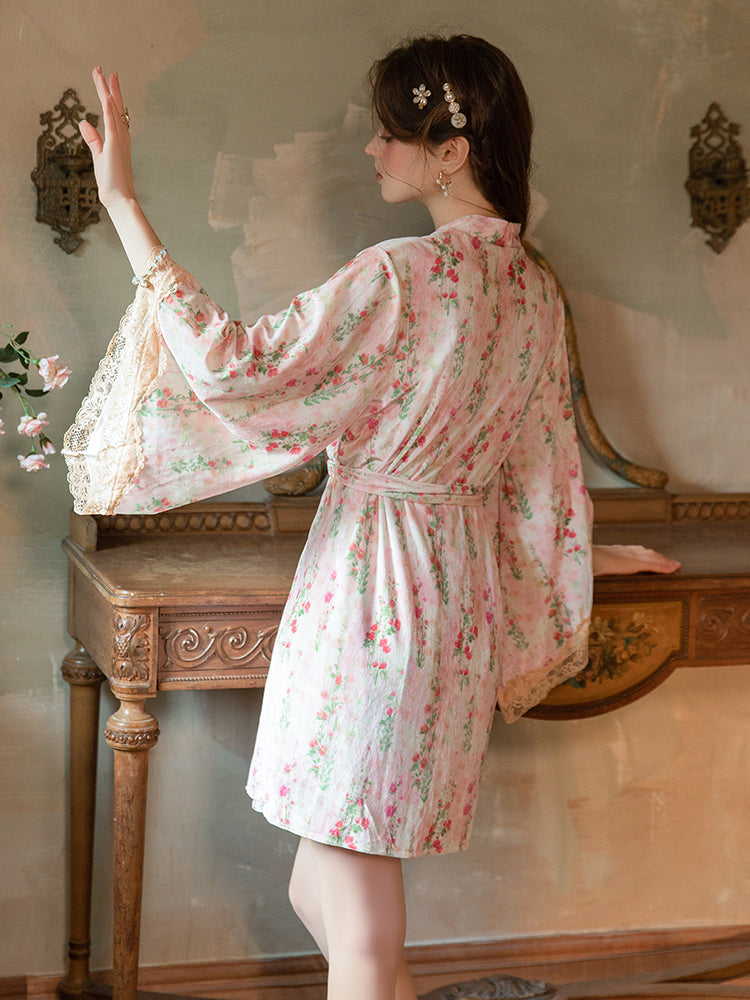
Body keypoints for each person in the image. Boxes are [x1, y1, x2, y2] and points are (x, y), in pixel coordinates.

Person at [67, 35, 679, 1000]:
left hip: (373, 600)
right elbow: (535, 476)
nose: (373, 149)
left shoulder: (404, 275)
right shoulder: (531, 288)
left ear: (452, 151)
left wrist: (124, 205)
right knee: (323, 883)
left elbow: (237, 366)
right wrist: (586, 555)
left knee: (352, 908)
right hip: (449, 604)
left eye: (392, 132)